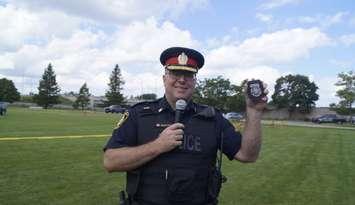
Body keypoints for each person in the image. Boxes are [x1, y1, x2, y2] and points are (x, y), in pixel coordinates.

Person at [103, 47, 268, 205]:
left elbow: (247, 155)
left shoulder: (212, 118)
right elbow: (110, 161)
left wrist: (254, 111)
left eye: (188, 74)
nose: (182, 80)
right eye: (175, 72)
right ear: (164, 78)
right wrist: (157, 146)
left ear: (194, 81)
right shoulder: (139, 114)